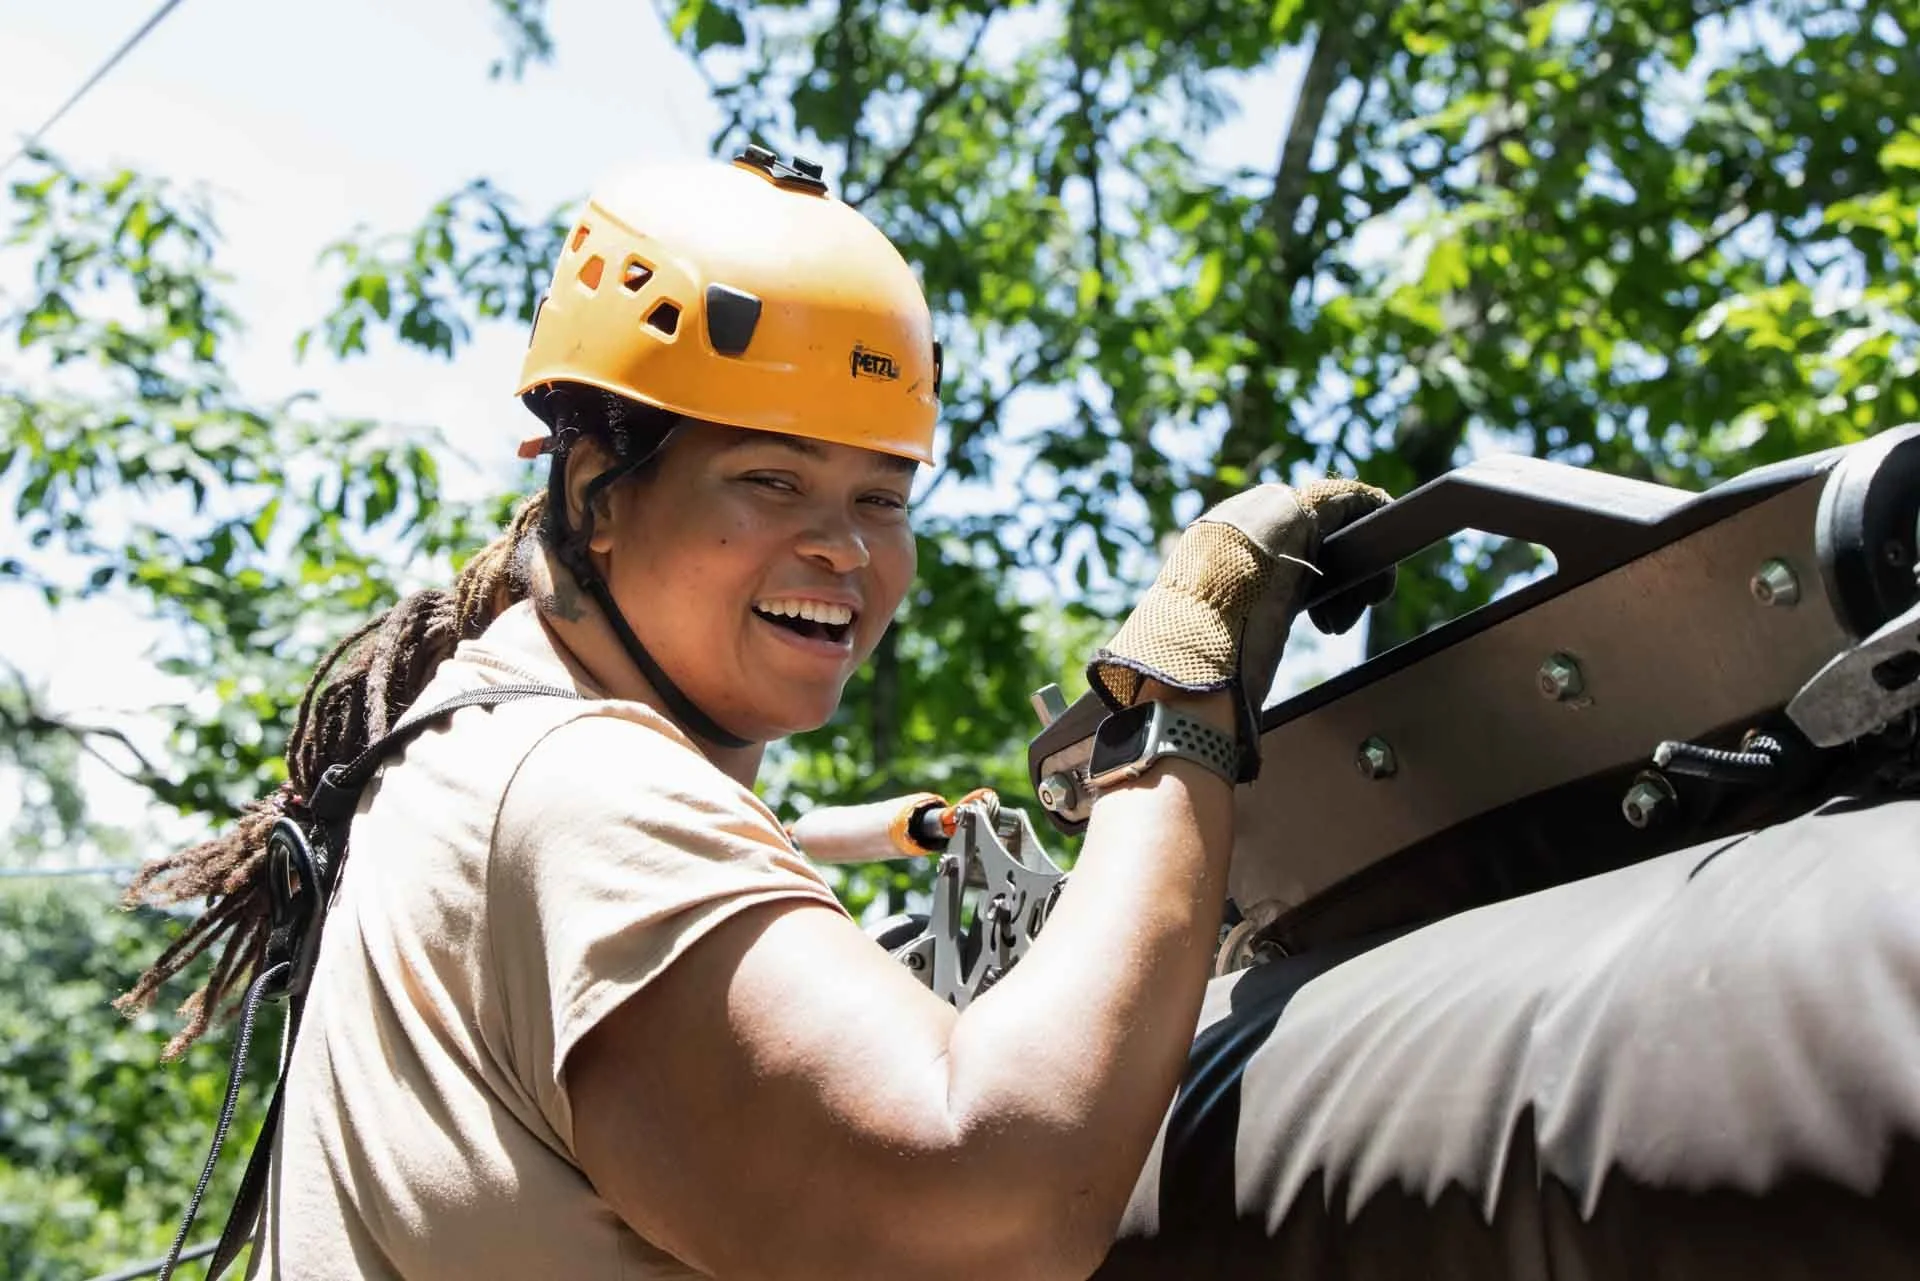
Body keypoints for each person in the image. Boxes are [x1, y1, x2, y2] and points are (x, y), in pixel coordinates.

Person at [118, 148, 1388, 1279]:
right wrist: (1178, 708)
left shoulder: (470, 749)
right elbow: (993, 1207)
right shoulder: (579, 792)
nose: (842, 549)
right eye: (770, 479)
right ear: (597, 487)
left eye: (881, 499)